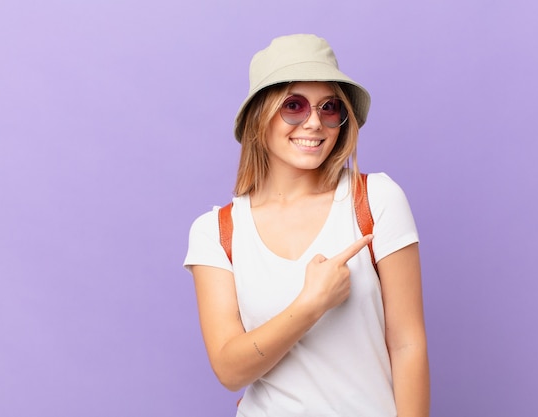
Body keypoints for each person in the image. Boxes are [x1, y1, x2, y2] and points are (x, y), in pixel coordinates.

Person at [184, 34, 429, 417]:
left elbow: (407, 345)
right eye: (293, 106)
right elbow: (230, 370)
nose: (314, 123)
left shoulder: (376, 199)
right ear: (259, 116)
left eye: (329, 108)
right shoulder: (217, 232)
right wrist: (311, 304)